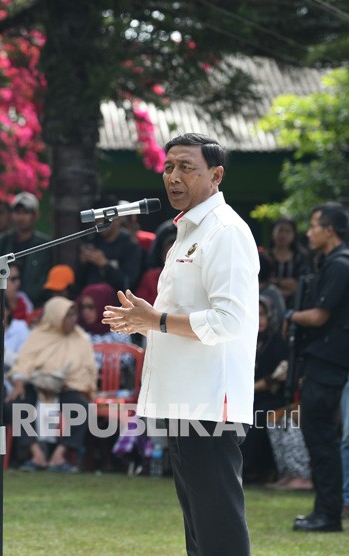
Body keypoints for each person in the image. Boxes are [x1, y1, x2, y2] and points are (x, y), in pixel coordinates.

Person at [103, 133, 258, 554]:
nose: (173, 176)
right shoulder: (187, 231)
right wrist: (144, 322)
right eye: (168, 167)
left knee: (218, 525)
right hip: (183, 400)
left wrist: (156, 319)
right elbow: (183, 316)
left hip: (209, 400)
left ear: (216, 175)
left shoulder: (225, 232)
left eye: (186, 167)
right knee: (199, 529)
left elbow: (229, 321)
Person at [285, 202, 349, 532]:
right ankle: (324, 511)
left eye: (314, 225)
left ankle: (327, 515)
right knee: (319, 438)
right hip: (323, 360)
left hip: (328, 362)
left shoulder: (340, 265)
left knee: (321, 438)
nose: (309, 232)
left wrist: (289, 316)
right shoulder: (329, 264)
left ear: (331, 230)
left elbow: (320, 316)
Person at [6, 297, 97, 473]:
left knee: (82, 408)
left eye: (73, 315)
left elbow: (87, 371)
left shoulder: (81, 339)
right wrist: (19, 383)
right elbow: (23, 363)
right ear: (55, 316)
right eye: (67, 315)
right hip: (36, 386)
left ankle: (59, 456)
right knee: (15, 405)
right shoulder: (37, 336)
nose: (72, 319)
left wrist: (67, 383)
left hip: (67, 388)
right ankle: (36, 455)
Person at [240, 296, 288, 484]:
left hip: (272, 396)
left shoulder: (278, 341)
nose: (259, 319)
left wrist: (247, 389)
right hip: (249, 396)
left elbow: (277, 376)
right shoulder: (245, 340)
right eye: (254, 314)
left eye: (262, 314)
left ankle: (255, 469)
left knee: (256, 417)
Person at [0, 192, 53, 304]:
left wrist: (24, 300)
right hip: (3, 304)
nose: (21, 217)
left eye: (25, 213)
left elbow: (46, 279)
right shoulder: (1, 241)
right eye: (17, 212)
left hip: (35, 305)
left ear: (36, 215)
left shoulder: (45, 244)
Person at [75, 195, 144, 294]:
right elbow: (79, 283)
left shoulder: (130, 246)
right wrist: (82, 264)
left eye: (102, 220)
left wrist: (104, 264)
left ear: (116, 219)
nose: (98, 224)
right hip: (90, 301)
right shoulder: (92, 241)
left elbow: (128, 284)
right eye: (96, 220)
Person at [266, 216, 311, 304]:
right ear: (273, 232)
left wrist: (276, 282)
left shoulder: (301, 258)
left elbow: (298, 285)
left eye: (288, 231)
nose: (283, 235)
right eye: (280, 230)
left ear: (294, 234)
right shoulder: (266, 257)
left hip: (296, 304)